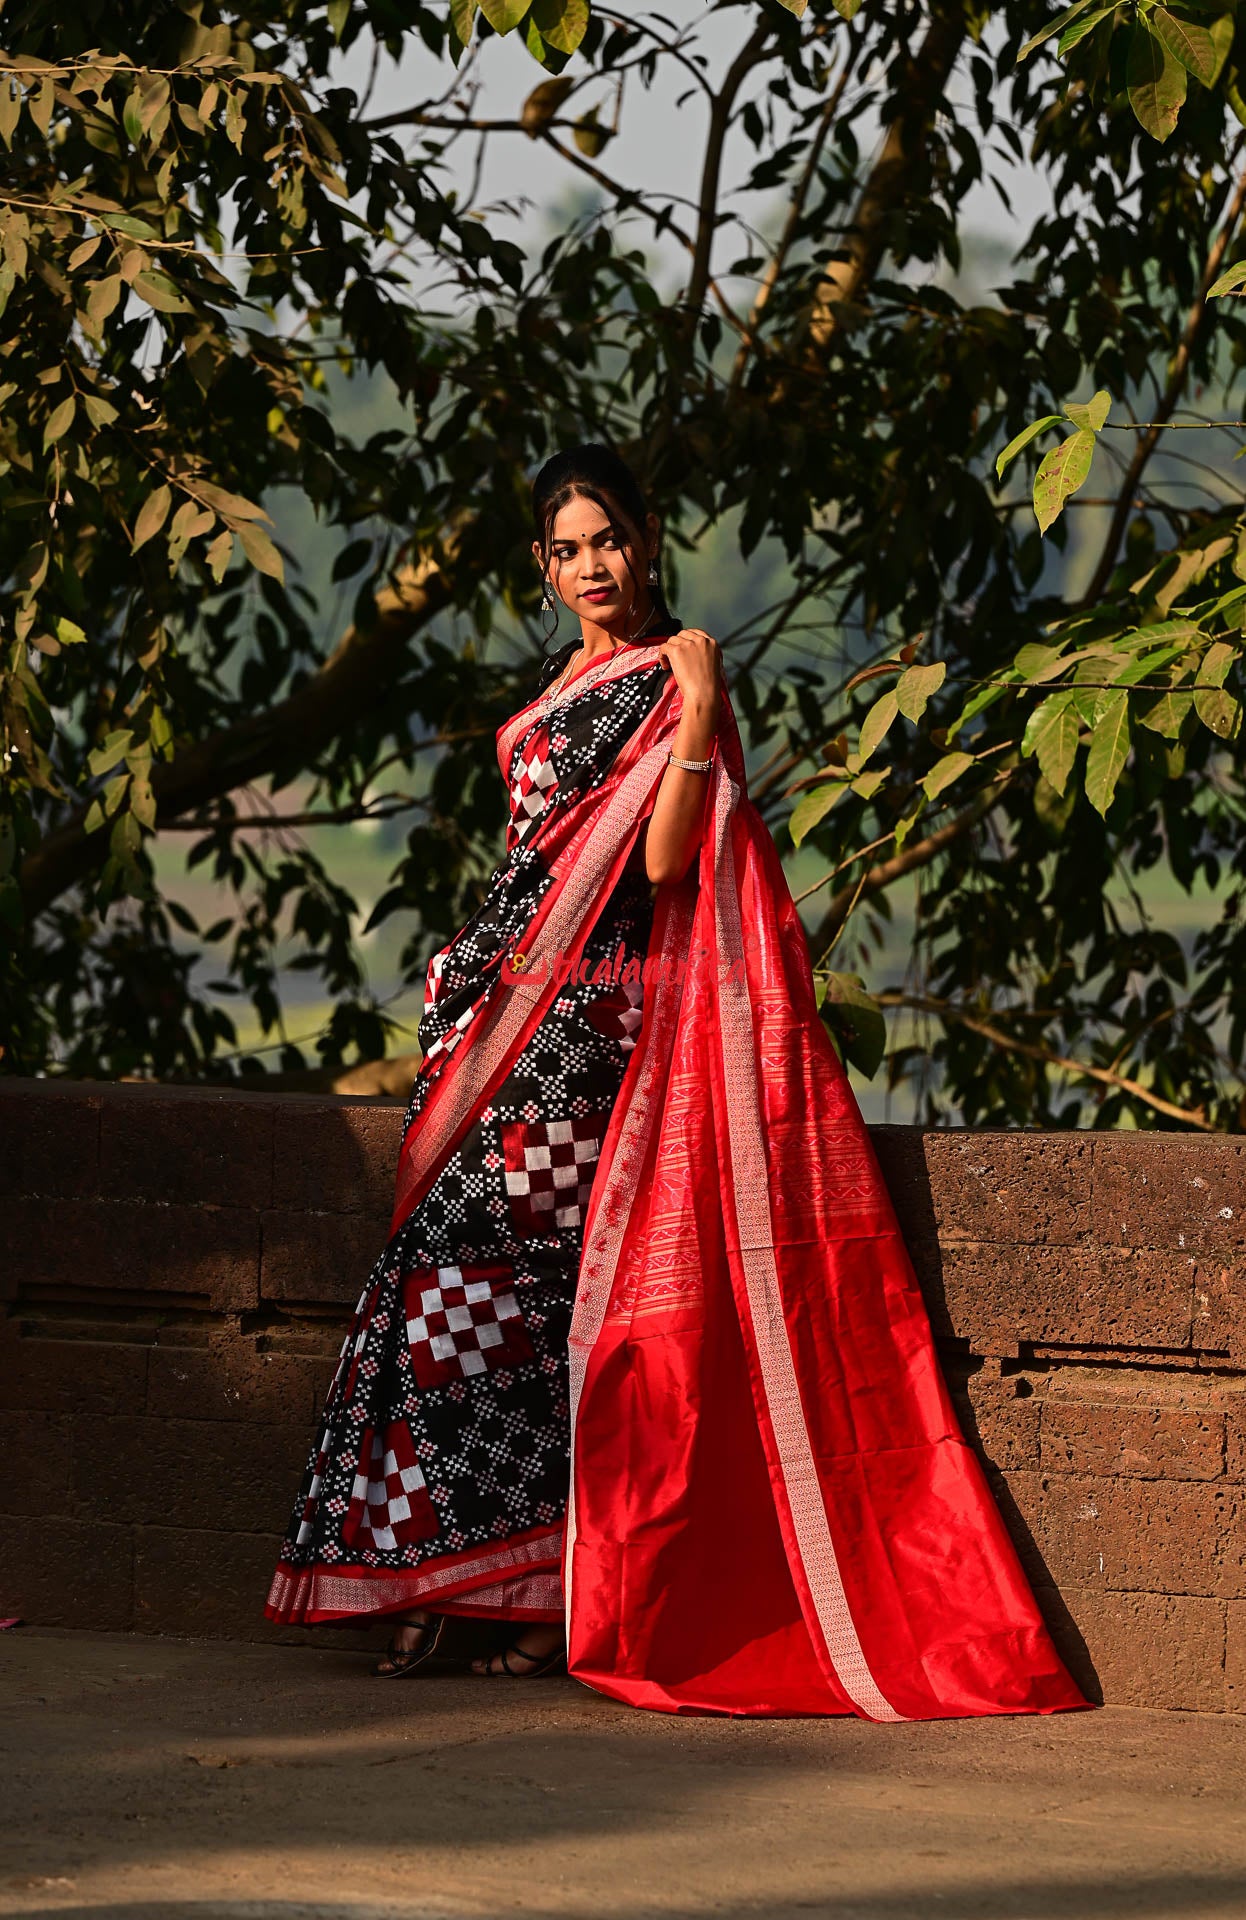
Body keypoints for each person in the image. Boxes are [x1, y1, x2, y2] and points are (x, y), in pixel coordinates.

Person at [266, 443, 1088, 1720]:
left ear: (647, 541)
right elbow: (535, 854)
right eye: (567, 549)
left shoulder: (670, 678)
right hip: (506, 1016)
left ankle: (527, 1599)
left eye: (609, 539)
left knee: (478, 1280)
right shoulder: (562, 684)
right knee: (474, 1293)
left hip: (591, 1033)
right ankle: (475, 1582)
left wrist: (700, 716)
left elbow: (654, 868)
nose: (593, 565)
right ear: (545, 571)